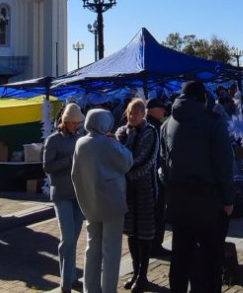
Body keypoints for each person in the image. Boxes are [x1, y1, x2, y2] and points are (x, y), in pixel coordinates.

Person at [159, 80, 235, 293]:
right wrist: (229, 199)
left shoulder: (167, 124)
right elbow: (223, 164)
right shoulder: (213, 122)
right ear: (203, 98)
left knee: (181, 255)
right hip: (208, 200)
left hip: (178, 200)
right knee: (210, 259)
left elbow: (163, 164)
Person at [73, 108, 133, 293]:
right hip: (112, 203)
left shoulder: (80, 143)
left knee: (92, 248)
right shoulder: (107, 143)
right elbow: (127, 162)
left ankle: (89, 288)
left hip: (90, 204)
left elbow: (75, 174)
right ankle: (108, 289)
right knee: (111, 250)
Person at [117, 99, 159, 291]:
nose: (132, 117)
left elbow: (146, 159)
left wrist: (125, 171)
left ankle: (143, 275)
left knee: (144, 233)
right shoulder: (122, 132)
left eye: (136, 113)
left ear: (143, 114)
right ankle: (135, 272)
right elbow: (116, 155)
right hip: (127, 191)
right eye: (130, 113)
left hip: (145, 190)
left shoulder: (150, 132)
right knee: (131, 233)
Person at [44, 103, 86, 293]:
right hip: (61, 194)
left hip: (78, 194)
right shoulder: (53, 140)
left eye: (78, 123)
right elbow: (47, 166)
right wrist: (69, 161)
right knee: (67, 237)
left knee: (73, 238)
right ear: (66, 121)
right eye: (74, 122)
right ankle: (65, 282)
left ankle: (71, 277)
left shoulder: (79, 138)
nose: (76, 126)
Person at [144, 97, 171, 259]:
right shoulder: (155, 128)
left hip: (147, 179)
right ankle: (156, 246)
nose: (164, 111)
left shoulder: (145, 125)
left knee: (152, 215)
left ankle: (152, 246)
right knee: (157, 213)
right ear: (154, 110)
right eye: (161, 108)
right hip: (155, 178)